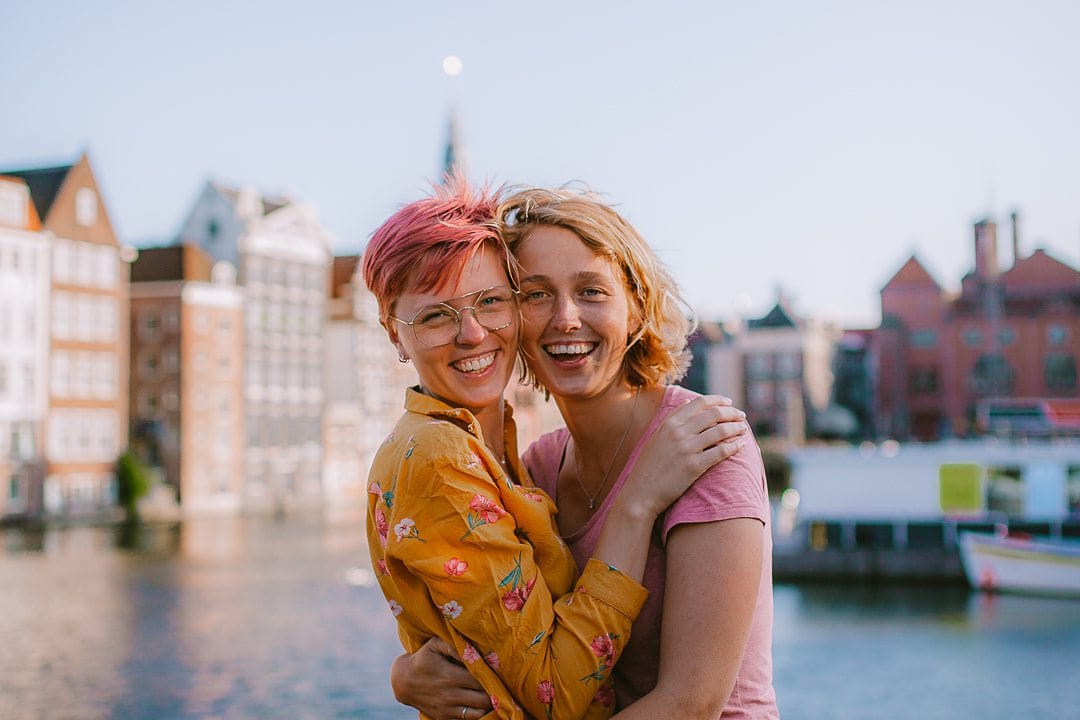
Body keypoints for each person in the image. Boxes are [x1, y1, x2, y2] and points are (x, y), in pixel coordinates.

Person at [362, 178, 749, 720]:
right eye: (537, 294)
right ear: (395, 334)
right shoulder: (530, 465)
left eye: (591, 290)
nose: (472, 333)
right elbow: (517, 661)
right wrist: (409, 671)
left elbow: (693, 702)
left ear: (637, 308)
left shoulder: (701, 443)